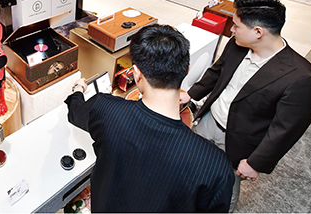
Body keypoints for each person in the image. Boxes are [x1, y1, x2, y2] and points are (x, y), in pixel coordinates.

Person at [66, 24, 235, 213]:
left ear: (136, 73)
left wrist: (78, 90)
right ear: (186, 69)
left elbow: (76, 113)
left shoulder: (105, 109)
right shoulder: (217, 167)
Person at [180, 0, 311, 212]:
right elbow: (217, 72)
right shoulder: (237, 44)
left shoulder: (302, 78)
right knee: (191, 166)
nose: (231, 30)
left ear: (258, 32)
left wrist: (256, 163)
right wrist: (191, 94)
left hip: (238, 144)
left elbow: (285, 129)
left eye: (236, 26)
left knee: (224, 187)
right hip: (209, 121)